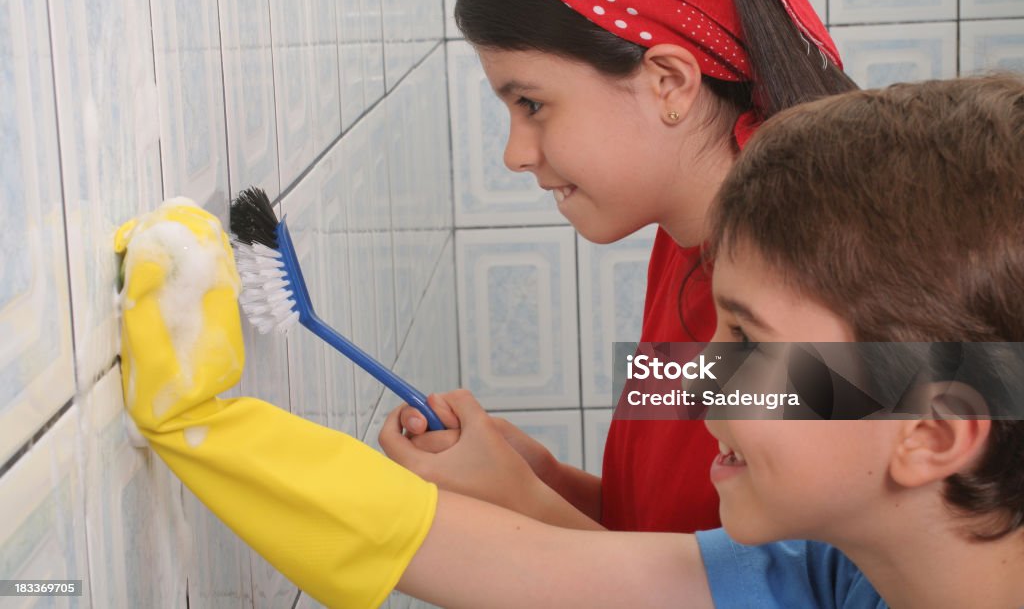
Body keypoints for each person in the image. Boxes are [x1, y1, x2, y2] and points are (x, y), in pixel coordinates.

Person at [119, 74, 1024, 608]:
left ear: (934, 433)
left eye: (747, 336)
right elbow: (530, 571)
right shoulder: (839, 568)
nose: (700, 371)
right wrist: (210, 426)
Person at [391, 0, 857, 533]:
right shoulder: (687, 240)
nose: (514, 154)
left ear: (670, 81)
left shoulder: (809, 298)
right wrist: (541, 479)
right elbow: (672, 524)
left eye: (530, 103)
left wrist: (521, 503)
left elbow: (761, 591)